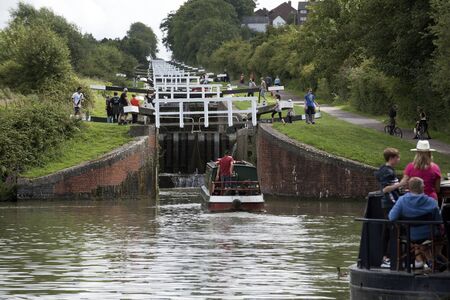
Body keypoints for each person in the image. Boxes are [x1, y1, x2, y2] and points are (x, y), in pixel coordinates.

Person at [389, 177, 442, 268]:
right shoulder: (432, 202)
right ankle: (433, 259)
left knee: (416, 241)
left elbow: (392, 217)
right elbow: (439, 221)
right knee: (441, 236)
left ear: (409, 188)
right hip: (429, 234)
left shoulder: (401, 201)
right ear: (422, 187)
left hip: (410, 235)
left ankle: (421, 260)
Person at [375, 147, 404, 267]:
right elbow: (386, 189)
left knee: (388, 230)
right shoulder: (388, 171)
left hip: (389, 203)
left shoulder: (385, 169)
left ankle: (386, 256)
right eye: (397, 157)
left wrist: (399, 187)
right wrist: (401, 183)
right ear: (391, 158)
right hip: (390, 204)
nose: (399, 159)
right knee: (390, 230)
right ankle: (386, 257)